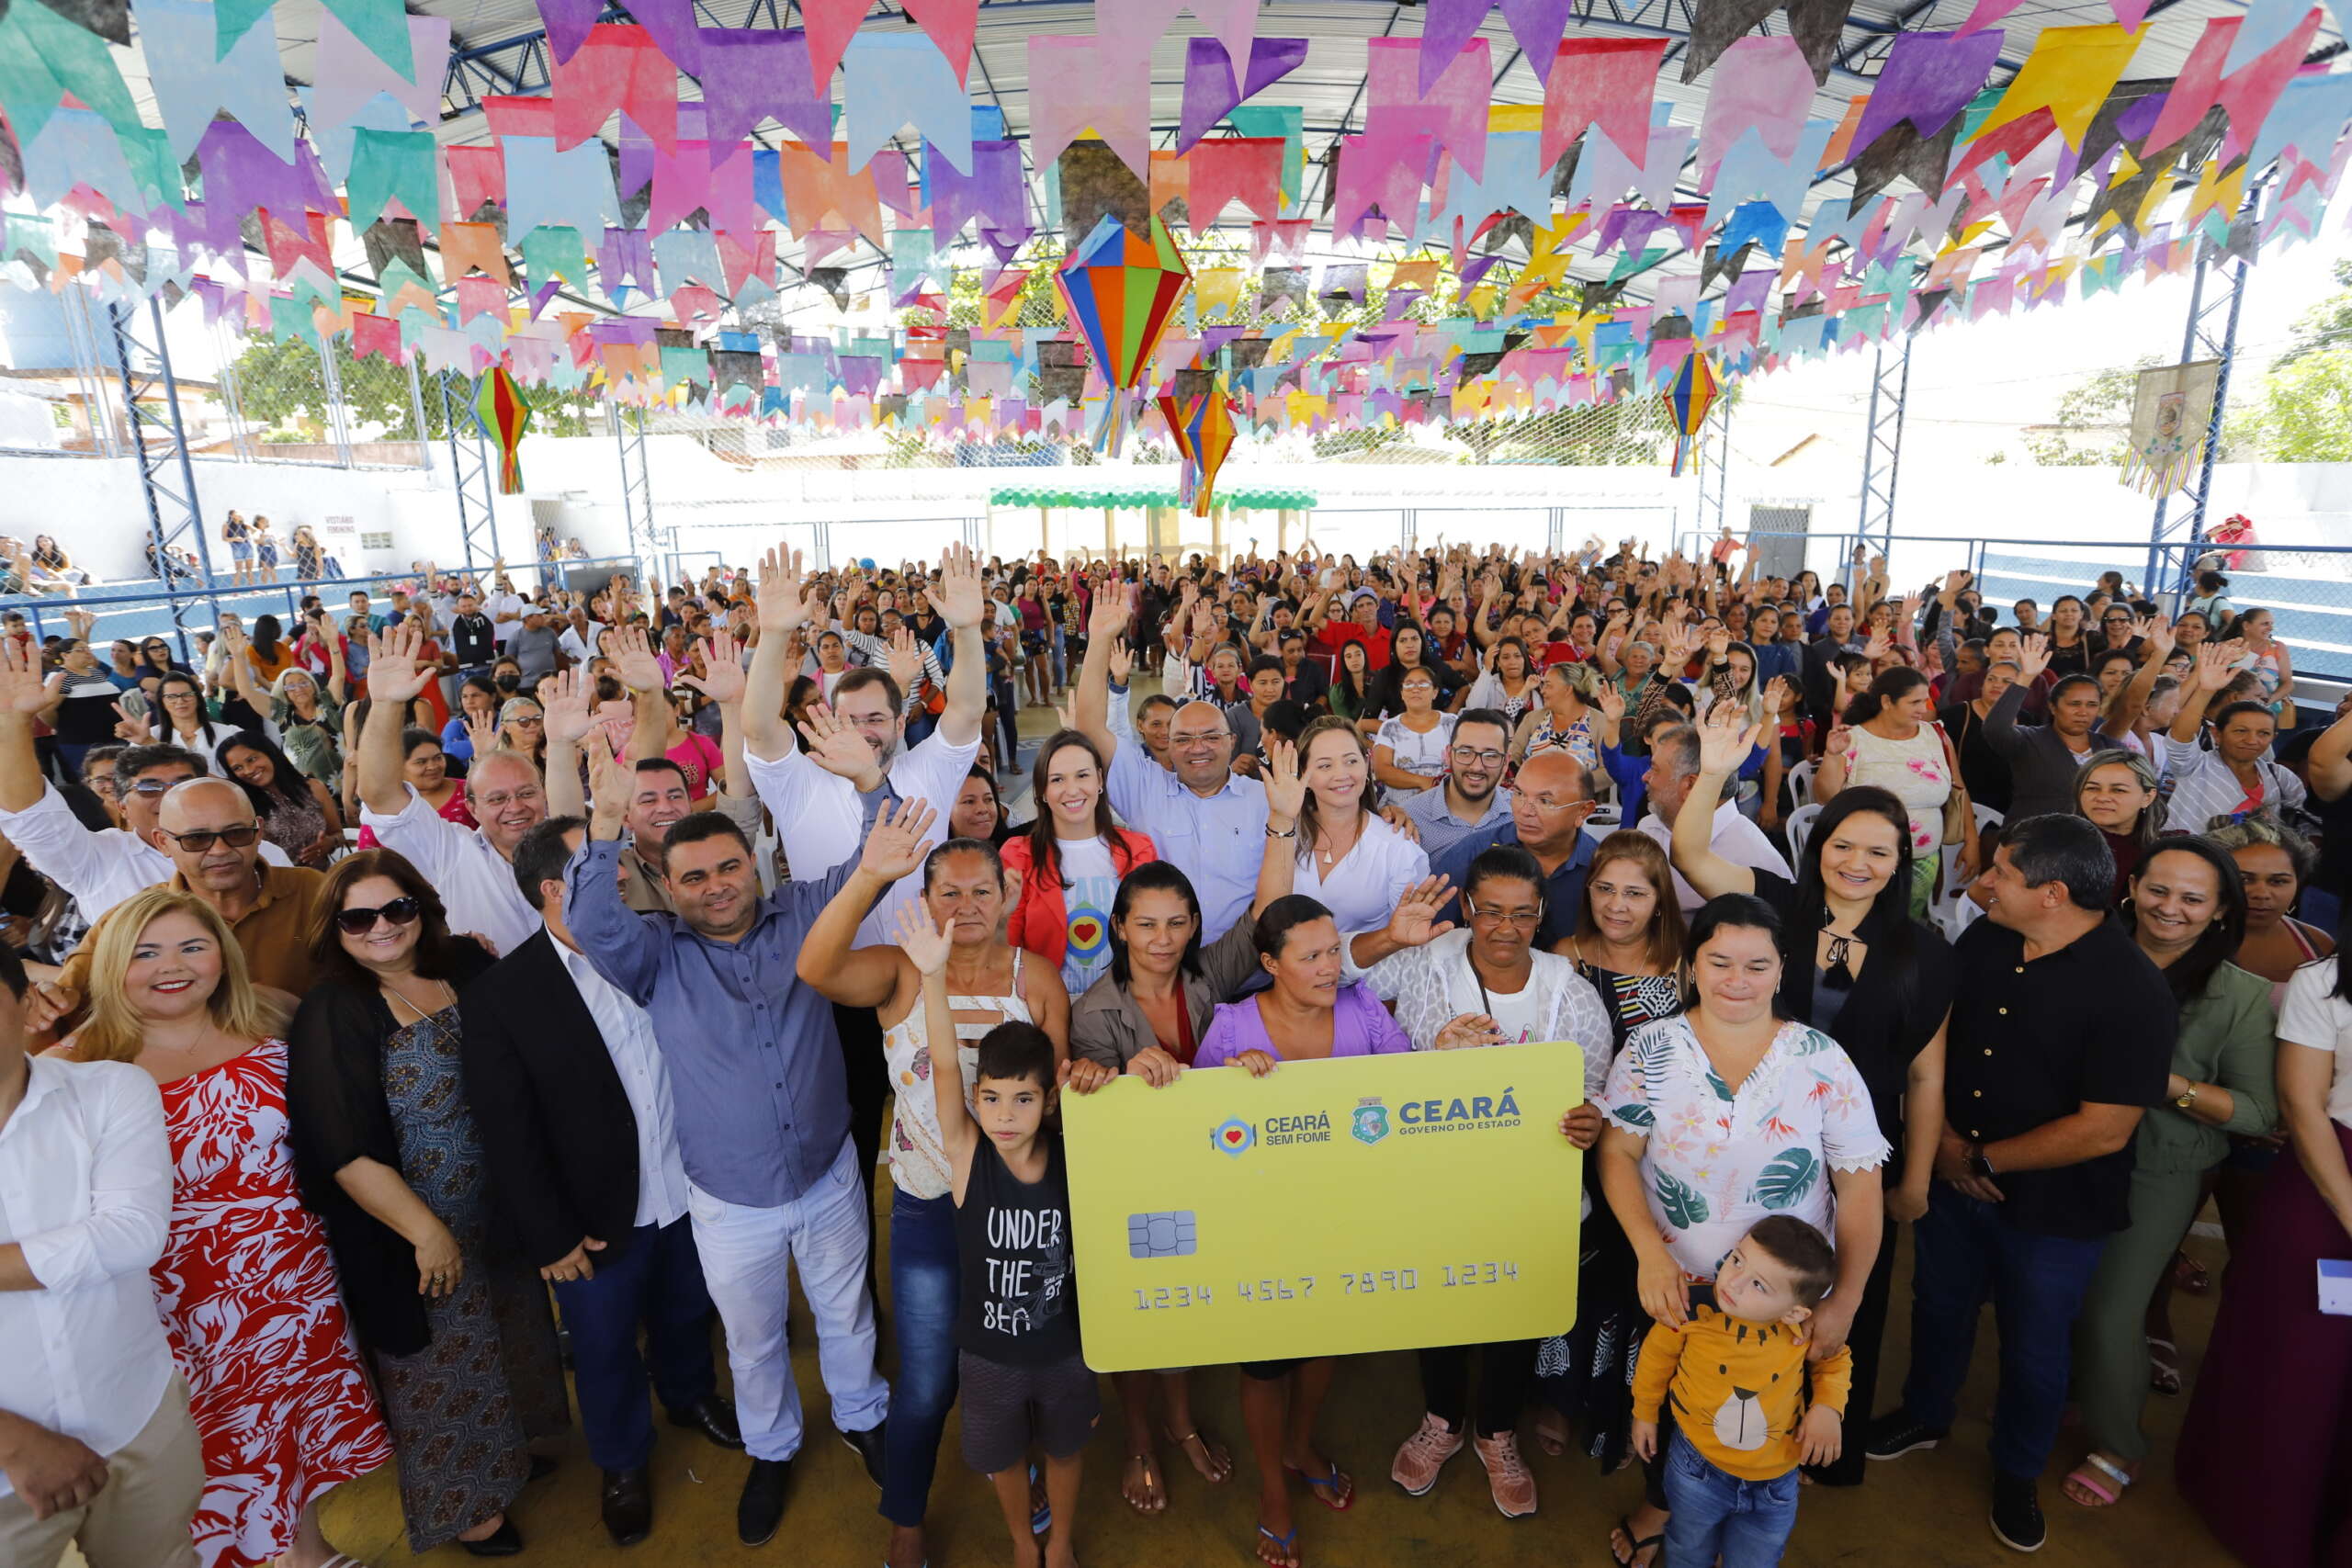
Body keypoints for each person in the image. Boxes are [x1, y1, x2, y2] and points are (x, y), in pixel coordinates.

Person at [564, 772, 906, 1547]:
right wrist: (609, 819)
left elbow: (880, 852)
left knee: (846, 1314)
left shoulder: (808, 915)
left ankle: (863, 1418)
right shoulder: (651, 956)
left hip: (828, 1173)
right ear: (667, 885)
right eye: (694, 876)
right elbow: (587, 914)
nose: (716, 886)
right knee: (752, 1343)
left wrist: (868, 778)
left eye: (728, 866)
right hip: (730, 1201)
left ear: (754, 862)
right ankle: (773, 1449)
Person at [51, 889, 392, 1568]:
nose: (170, 966)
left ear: (221, 955)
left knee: (294, 1417)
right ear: (114, 964)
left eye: (191, 946)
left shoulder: (272, 1014)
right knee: (214, 1439)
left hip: (294, 1271)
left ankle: (307, 1551)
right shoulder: (77, 1065)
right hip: (175, 1297)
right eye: (146, 952)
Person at [1867, 814, 2176, 1553]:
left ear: (2054, 893)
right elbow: (1934, 1040)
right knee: (1938, 1303)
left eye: (2003, 870)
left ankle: (2015, 1468)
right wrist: (1939, 1140)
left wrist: (1982, 1160)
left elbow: (2105, 1127)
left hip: (2056, 1208)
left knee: (2035, 1346)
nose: (1984, 880)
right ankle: (1926, 1411)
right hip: (1951, 1170)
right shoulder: (1988, 937)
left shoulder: (2133, 990)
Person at [1672, 705, 1956, 1487]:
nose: (1856, 863)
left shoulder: (1925, 953)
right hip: (1758, 1141)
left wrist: (1919, 1178)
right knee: (1750, 1280)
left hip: (1863, 1151)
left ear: (1902, 860)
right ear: (1817, 846)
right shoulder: (1775, 907)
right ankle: (1724, 1440)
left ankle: (1815, 1448)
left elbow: (1927, 1073)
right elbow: (1691, 850)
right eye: (1842, 845)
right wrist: (1718, 770)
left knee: (1841, 1306)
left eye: (1877, 851)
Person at [797, 811, 1069, 1568]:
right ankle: (907, 1519)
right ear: (923, 897)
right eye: (947, 891)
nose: (966, 904)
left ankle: (1025, 1474)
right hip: (924, 1206)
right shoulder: (899, 969)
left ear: (1008, 894)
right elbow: (815, 967)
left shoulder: (1036, 979)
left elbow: (1058, 1096)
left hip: (1017, 1215)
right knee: (925, 1382)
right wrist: (868, 875)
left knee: (1024, 1361)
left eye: (982, 889)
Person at [459, 818, 739, 1549]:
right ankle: (620, 1462)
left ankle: (690, 1396)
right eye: (608, 874)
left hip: (691, 1187)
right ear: (558, 889)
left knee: (687, 1311)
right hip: (594, 1215)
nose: (626, 881)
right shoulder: (503, 994)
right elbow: (507, 1128)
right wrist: (548, 1232)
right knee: (606, 1344)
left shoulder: (658, 943)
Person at [286, 850, 569, 1556]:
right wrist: (427, 1233)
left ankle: (505, 1460)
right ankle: (472, 1509)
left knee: (508, 1337)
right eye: (359, 916)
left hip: (502, 1208)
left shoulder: (463, 966)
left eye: (396, 908)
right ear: (336, 927)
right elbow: (343, 1149)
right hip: (413, 1228)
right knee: (440, 1369)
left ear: (421, 907)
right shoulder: (335, 1008)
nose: (381, 926)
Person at [1597, 895, 1888, 1563]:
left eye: (1756, 964)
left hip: (1783, 1297)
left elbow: (1860, 1187)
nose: (1737, 978)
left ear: (1783, 969)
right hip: (1676, 1281)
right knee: (1671, 1395)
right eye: (1719, 960)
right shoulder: (1652, 1046)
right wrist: (1649, 1252)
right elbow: (1617, 1152)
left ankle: (1754, 1500)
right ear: (1692, 966)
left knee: (1769, 1404)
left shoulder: (1821, 1059)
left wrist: (1844, 1299)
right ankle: (1663, 1502)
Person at [1341, 843, 1611, 1517]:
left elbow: (1599, 1089)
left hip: (1527, 1192)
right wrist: (1430, 1053)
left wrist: (1591, 1119)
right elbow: (1333, 982)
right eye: (1489, 910)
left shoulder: (1567, 992)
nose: (1504, 928)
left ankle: (1496, 1433)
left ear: (1542, 915)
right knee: (1438, 1308)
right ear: (1466, 907)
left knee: (1514, 1318)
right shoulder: (1428, 959)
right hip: (1434, 1183)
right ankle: (1442, 1420)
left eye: (1522, 914)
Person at [741, 547, 988, 1248]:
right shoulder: (796, 781)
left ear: (900, 715)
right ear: (825, 719)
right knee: (844, 1149)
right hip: (835, 996)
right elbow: (759, 728)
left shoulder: (927, 770)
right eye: (848, 716)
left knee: (948, 1135)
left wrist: (965, 629)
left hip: (923, 986)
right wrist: (773, 633)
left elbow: (967, 704)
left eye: (877, 716)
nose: (863, 730)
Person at [1194, 893, 1412, 1568]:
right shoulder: (1231, 1026)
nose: (1329, 967)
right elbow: (1194, 1137)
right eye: (1311, 955)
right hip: (1259, 1229)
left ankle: (1299, 1442)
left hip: (1348, 1219)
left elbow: (1411, 1096)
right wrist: (1230, 1090)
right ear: (1269, 962)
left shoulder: (1364, 1007)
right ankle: (1272, 1487)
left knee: (1327, 1339)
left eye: (1332, 951)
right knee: (1263, 1360)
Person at [2063, 840, 2274, 1511]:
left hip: (2160, 1166)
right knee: (2052, 1291)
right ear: (2131, 890)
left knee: (2111, 1308)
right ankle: (2083, 1393)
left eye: (2192, 898)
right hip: (2059, 1148)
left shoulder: (2238, 995)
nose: (2170, 909)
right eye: (2159, 890)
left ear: (2218, 912)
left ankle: (2120, 1442)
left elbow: (2258, 1111)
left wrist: (2169, 1085)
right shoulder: (2084, 952)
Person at [896, 905, 1101, 1568]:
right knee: (1005, 1460)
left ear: (1050, 1101)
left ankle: (1062, 1541)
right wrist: (932, 977)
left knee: (1066, 1452)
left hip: (1067, 1349)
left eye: (1023, 1099)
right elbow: (945, 1066)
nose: (1004, 1114)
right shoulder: (966, 1156)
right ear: (976, 1098)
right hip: (987, 1357)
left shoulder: (1076, 1160)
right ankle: (1023, 1543)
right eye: (992, 1098)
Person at [0, 939, 207, 1568]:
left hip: (137, 1415)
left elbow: (131, 1234)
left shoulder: (111, 1090)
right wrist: (11, 1443)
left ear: (27, 1001)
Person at [2177, 908, 2352, 1564]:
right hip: (2329, 1178)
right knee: (2300, 1361)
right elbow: (2302, 1104)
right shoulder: (2324, 980)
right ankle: (2268, 1518)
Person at [1630, 1216, 1850, 1568]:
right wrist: (1644, 1411)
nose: (1733, 1281)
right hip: (1694, 1467)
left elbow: (1833, 1361)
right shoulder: (1693, 1313)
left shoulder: (1802, 1329)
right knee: (1687, 1547)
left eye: (1759, 1285)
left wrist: (1828, 1407)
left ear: (1795, 1310)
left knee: (1756, 1559)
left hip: (1775, 1482)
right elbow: (1655, 1358)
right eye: (1736, 1260)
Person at [1075, 588, 1270, 942]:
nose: (1198, 748)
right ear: (1169, 745)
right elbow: (1089, 726)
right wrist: (1100, 640)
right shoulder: (1145, 788)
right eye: (1183, 739)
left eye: (1211, 737)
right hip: (1164, 963)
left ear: (1231, 742)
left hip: (1247, 965)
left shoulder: (1264, 799)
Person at [355, 626, 547, 953]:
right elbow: (380, 795)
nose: (515, 807)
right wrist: (386, 704)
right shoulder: (453, 852)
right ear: (471, 808)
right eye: (497, 798)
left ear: (544, 794)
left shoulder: (574, 847)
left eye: (527, 793)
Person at [1000, 730, 1158, 996]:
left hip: (1126, 1005)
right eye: (1057, 779)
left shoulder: (1139, 851)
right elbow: (1008, 949)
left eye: (1082, 775)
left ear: (1099, 780)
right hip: (1049, 1006)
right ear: (1041, 792)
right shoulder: (1019, 856)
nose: (1072, 790)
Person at [1816, 667, 1973, 912]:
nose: (1923, 709)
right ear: (1887, 702)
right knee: (1860, 921)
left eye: (1925, 700)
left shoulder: (1936, 735)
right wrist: (1832, 755)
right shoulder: (1852, 738)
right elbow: (1826, 797)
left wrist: (1971, 842)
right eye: (1914, 702)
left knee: (1908, 925)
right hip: (1862, 861)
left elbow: (1959, 791)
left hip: (1923, 858)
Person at [1284, 716, 1430, 935]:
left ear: (1366, 763)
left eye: (1351, 761)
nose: (1341, 774)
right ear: (1304, 773)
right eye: (1325, 765)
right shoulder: (1283, 835)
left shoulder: (1397, 846)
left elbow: (1406, 940)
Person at [1634, 722, 1792, 911]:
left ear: (1690, 785)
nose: (1645, 776)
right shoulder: (1648, 827)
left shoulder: (1757, 858)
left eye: (1654, 769)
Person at [2162, 642, 2307, 832]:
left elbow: (2304, 822)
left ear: (2274, 737)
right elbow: (2180, 736)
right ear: (2217, 734)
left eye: (2263, 733)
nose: (2252, 740)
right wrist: (2206, 690)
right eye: (2241, 731)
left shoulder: (2281, 778)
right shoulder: (2194, 765)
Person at [1982, 637, 2127, 821]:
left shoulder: (2112, 748)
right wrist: (2026, 677)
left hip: (2093, 844)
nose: (2082, 712)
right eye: (2074, 704)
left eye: (2091, 705)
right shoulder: (2029, 740)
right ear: (2053, 706)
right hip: (2032, 841)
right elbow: (1995, 728)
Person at [2211, 817, 2335, 1000]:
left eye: (2278, 881)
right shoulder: (2182, 939)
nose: (2261, 894)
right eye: (2244, 879)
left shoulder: (2319, 945)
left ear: (2298, 882)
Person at [1391, 708, 1512, 861]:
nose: (1477, 767)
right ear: (1448, 755)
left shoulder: (1521, 814)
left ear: (1506, 762)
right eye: (1465, 752)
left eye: (1490, 756)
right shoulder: (1409, 818)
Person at [215, 731, 341, 867]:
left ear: (270, 753)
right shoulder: (242, 808)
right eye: (238, 768)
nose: (248, 770)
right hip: (277, 884)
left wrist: (329, 843)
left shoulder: (314, 788)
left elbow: (338, 834)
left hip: (326, 879)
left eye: (251, 759)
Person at [2072, 752, 2164, 902]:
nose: (2102, 798)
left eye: (2118, 790)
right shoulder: (2056, 844)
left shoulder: (2164, 852)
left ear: (2147, 797)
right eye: (2092, 788)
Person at [1369, 665, 1456, 790]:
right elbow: (1381, 770)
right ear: (1402, 694)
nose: (1415, 689)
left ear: (1435, 692)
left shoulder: (1452, 722)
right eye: (1409, 685)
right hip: (1401, 800)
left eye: (1423, 684)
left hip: (1446, 793)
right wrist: (1425, 782)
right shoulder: (1390, 727)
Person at [1509, 662, 1601, 768]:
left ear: (1567, 689)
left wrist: (1574, 782)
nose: (1542, 691)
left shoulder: (1599, 722)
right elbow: (1513, 756)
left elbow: (1607, 772)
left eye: (1548, 685)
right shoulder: (1532, 718)